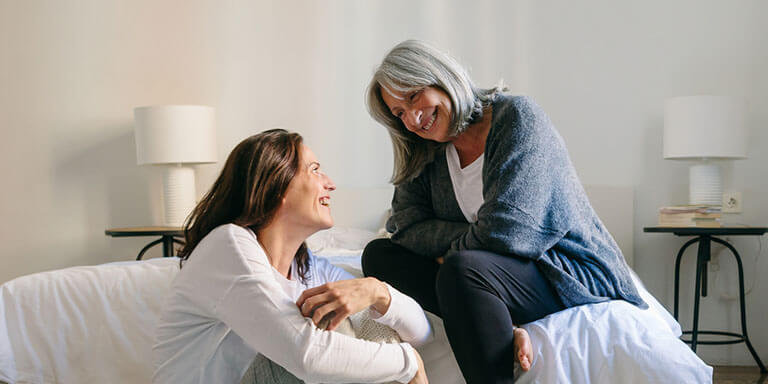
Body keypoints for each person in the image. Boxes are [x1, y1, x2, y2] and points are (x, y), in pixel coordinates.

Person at [362, 40, 647, 383]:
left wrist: (445, 253)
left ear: (440, 77)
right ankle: (505, 326)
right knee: (380, 255)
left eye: (412, 97)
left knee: (462, 269)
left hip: (563, 270)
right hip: (487, 272)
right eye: (399, 113)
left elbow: (509, 233)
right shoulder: (425, 151)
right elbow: (405, 228)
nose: (413, 118)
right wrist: (466, 244)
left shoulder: (516, 118)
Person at [152, 129, 431, 384]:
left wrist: (377, 291)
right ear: (277, 185)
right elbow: (308, 356)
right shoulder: (228, 245)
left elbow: (422, 334)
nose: (330, 184)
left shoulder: (312, 269)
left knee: (374, 325)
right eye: (315, 170)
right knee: (332, 332)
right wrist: (407, 362)